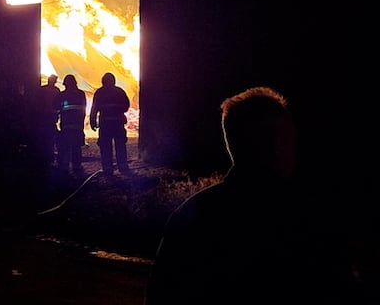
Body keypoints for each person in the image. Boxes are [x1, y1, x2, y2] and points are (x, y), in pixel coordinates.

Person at [144, 86, 354, 305]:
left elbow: (161, 294)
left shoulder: (191, 215)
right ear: (279, 145)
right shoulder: (308, 219)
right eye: (291, 138)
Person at [89, 72, 131, 176]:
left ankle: (108, 169)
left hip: (105, 124)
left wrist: (93, 121)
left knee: (105, 147)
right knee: (120, 145)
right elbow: (126, 106)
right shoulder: (120, 92)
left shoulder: (100, 92)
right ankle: (123, 166)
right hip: (118, 123)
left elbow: (94, 108)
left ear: (103, 82)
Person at [55, 74, 87, 175]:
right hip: (78, 125)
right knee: (76, 146)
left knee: (65, 146)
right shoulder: (81, 94)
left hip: (66, 125)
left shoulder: (62, 95)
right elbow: (83, 108)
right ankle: (76, 166)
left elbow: (55, 106)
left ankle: (64, 167)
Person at [33, 74, 61, 167]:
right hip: (49, 116)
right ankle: (49, 156)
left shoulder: (42, 89)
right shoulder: (56, 91)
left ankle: (46, 156)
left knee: (46, 137)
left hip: (45, 116)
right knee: (50, 137)